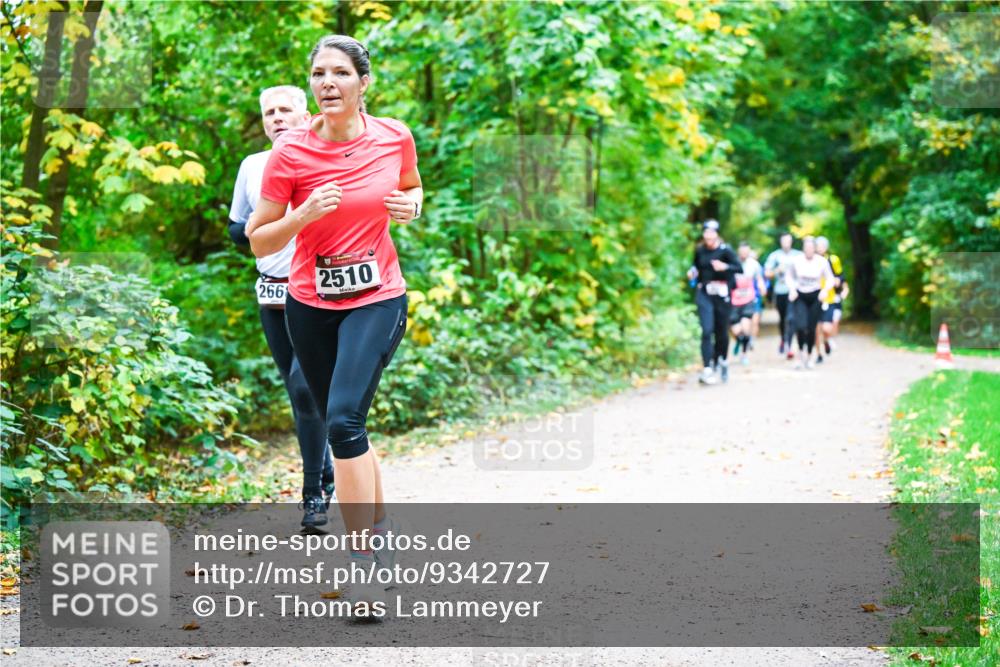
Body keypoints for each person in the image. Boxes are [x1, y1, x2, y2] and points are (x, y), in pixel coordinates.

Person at [246, 34, 422, 613]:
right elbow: (259, 240)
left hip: (378, 297)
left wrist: (413, 206)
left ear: (363, 82)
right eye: (319, 73)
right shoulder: (290, 153)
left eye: (340, 73)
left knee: (344, 419)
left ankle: (362, 565)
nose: (328, 82)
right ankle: (381, 525)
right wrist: (302, 215)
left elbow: (411, 186)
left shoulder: (394, 136)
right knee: (346, 427)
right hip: (309, 304)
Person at [228, 85, 335, 524]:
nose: (276, 118)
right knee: (298, 392)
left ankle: (313, 493)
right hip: (272, 293)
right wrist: (262, 227)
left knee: (306, 389)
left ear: (304, 115)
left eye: (285, 110)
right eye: (269, 112)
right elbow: (236, 229)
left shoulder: (324, 156)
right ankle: (325, 471)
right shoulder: (252, 166)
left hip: (317, 290)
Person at [688, 219, 741, 385]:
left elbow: (739, 268)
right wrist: (692, 273)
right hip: (705, 293)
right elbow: (695, 266)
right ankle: (707, 368)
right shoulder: (700, 250)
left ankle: (722, 360)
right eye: (706, 233)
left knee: (721, 332)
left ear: (717, 234)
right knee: (706, 330)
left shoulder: (726, 250)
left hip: (722, 295)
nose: (709, 236)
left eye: (712, 233)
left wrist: (725, 267)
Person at [786, 236, 834, 369]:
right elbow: (789, 276)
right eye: (806, 248)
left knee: (812, 328)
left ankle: (810, 355)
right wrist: (792, 289)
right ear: (803, 248)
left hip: (815, 296)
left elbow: (830, 278)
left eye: (811, 248)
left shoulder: (821, 261)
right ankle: (801, 354)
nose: (808, 250)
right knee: (800, 326)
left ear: (814, 248)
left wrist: (825, 290)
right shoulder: (796, 260)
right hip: (800, 295)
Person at [764, 233, 802, 359]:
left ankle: (789, 345)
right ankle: (783, 339)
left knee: (791, 318)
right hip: (780, 291)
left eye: (788, 241)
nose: (786, 243)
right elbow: (767, 274)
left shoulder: (798, 255)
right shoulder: (775, 256)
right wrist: (777, 270)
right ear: (780, 242)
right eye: (784, 241)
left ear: (791, 242)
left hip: (794, 292)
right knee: (783, 318)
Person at [730, 242, 766, 365]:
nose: (744, 254)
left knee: (746, 328)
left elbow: (759, 279)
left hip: (748, 300)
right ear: (738, 252)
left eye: (746, 252)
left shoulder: (753, 264)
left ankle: (744, 354)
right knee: (736, 331)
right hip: (734, 302)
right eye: (742, 252)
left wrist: (762, 287)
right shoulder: (732, 262)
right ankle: (740, 340)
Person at [815, 236, 849, 362]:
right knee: (816, 328)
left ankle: (827, 340)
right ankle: (818, 354)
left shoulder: (833, 260)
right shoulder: (810, 261)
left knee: (827, 327)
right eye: (818, 246)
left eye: (822, 246)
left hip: (829, 298)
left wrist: (842, 287)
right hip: (814, 298)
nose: (820, 248)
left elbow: (841, 277)